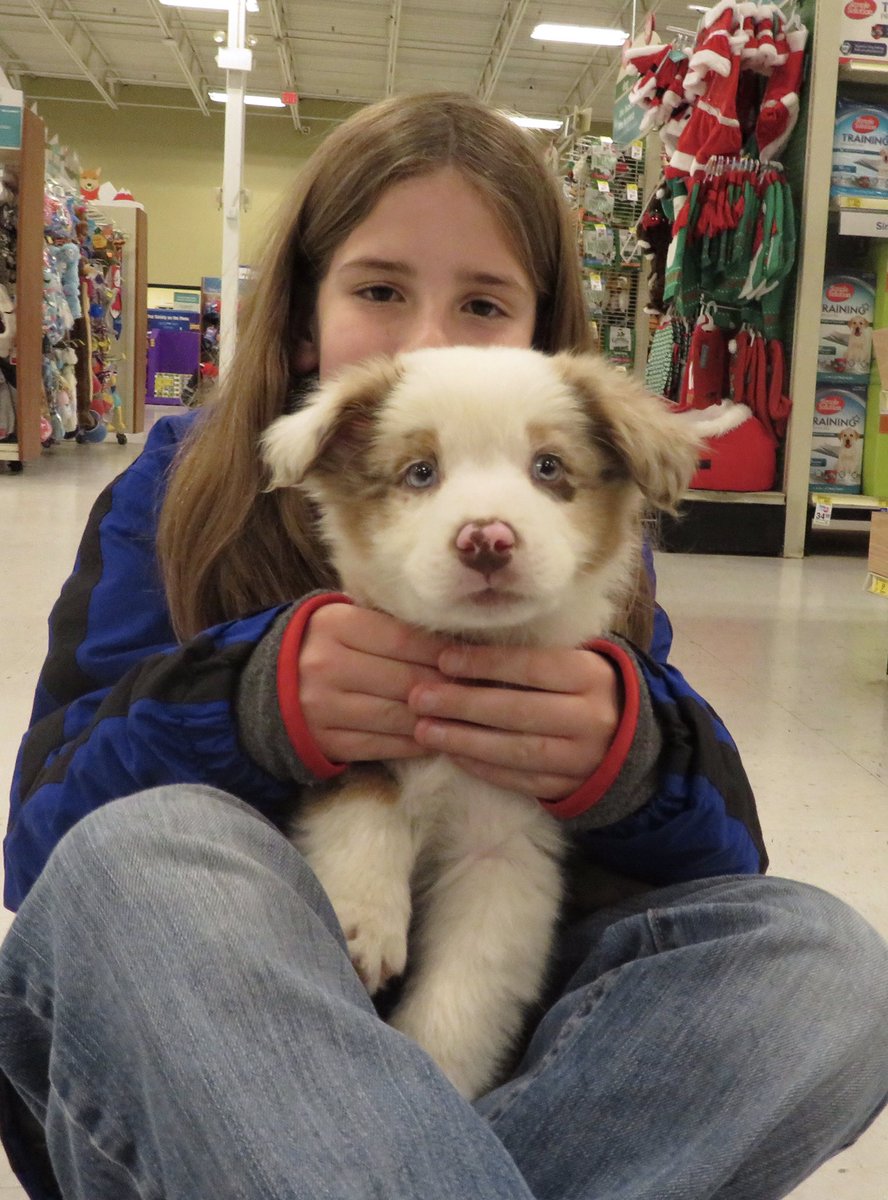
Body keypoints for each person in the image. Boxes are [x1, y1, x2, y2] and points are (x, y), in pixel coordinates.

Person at [1, 92, 886, 1200]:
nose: (428, 337)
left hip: (464, 1040)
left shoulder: (586, 562)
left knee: (823, 962)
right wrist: (246, 704)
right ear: (306, 314)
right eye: (379, 289)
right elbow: (43, 851)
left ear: (542, 326)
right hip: (196, 1028)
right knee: (152, 854)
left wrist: (631, 758)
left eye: (482, 301)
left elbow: (719, 864)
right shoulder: (181, 493)